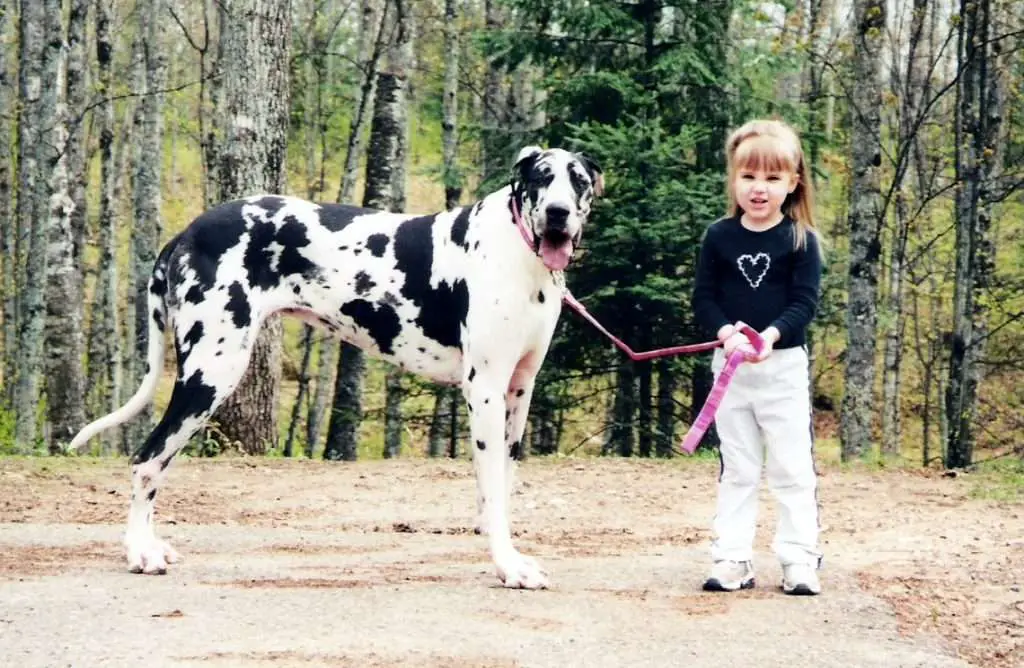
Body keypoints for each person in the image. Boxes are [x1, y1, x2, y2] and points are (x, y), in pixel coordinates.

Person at [691, 118, 824, 595]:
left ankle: (799, 557)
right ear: (734, 179)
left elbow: (804, 303)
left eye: (771, 178)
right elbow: (704, 299)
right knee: (739, 468)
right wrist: (727, 333)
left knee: (792, 468)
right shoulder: (719, 237)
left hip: (783, 370)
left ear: (793, 183)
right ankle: (732, 557)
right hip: (730, 375)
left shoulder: (800, 240)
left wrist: (768, 336)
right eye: (748, 177)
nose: (759, 188)